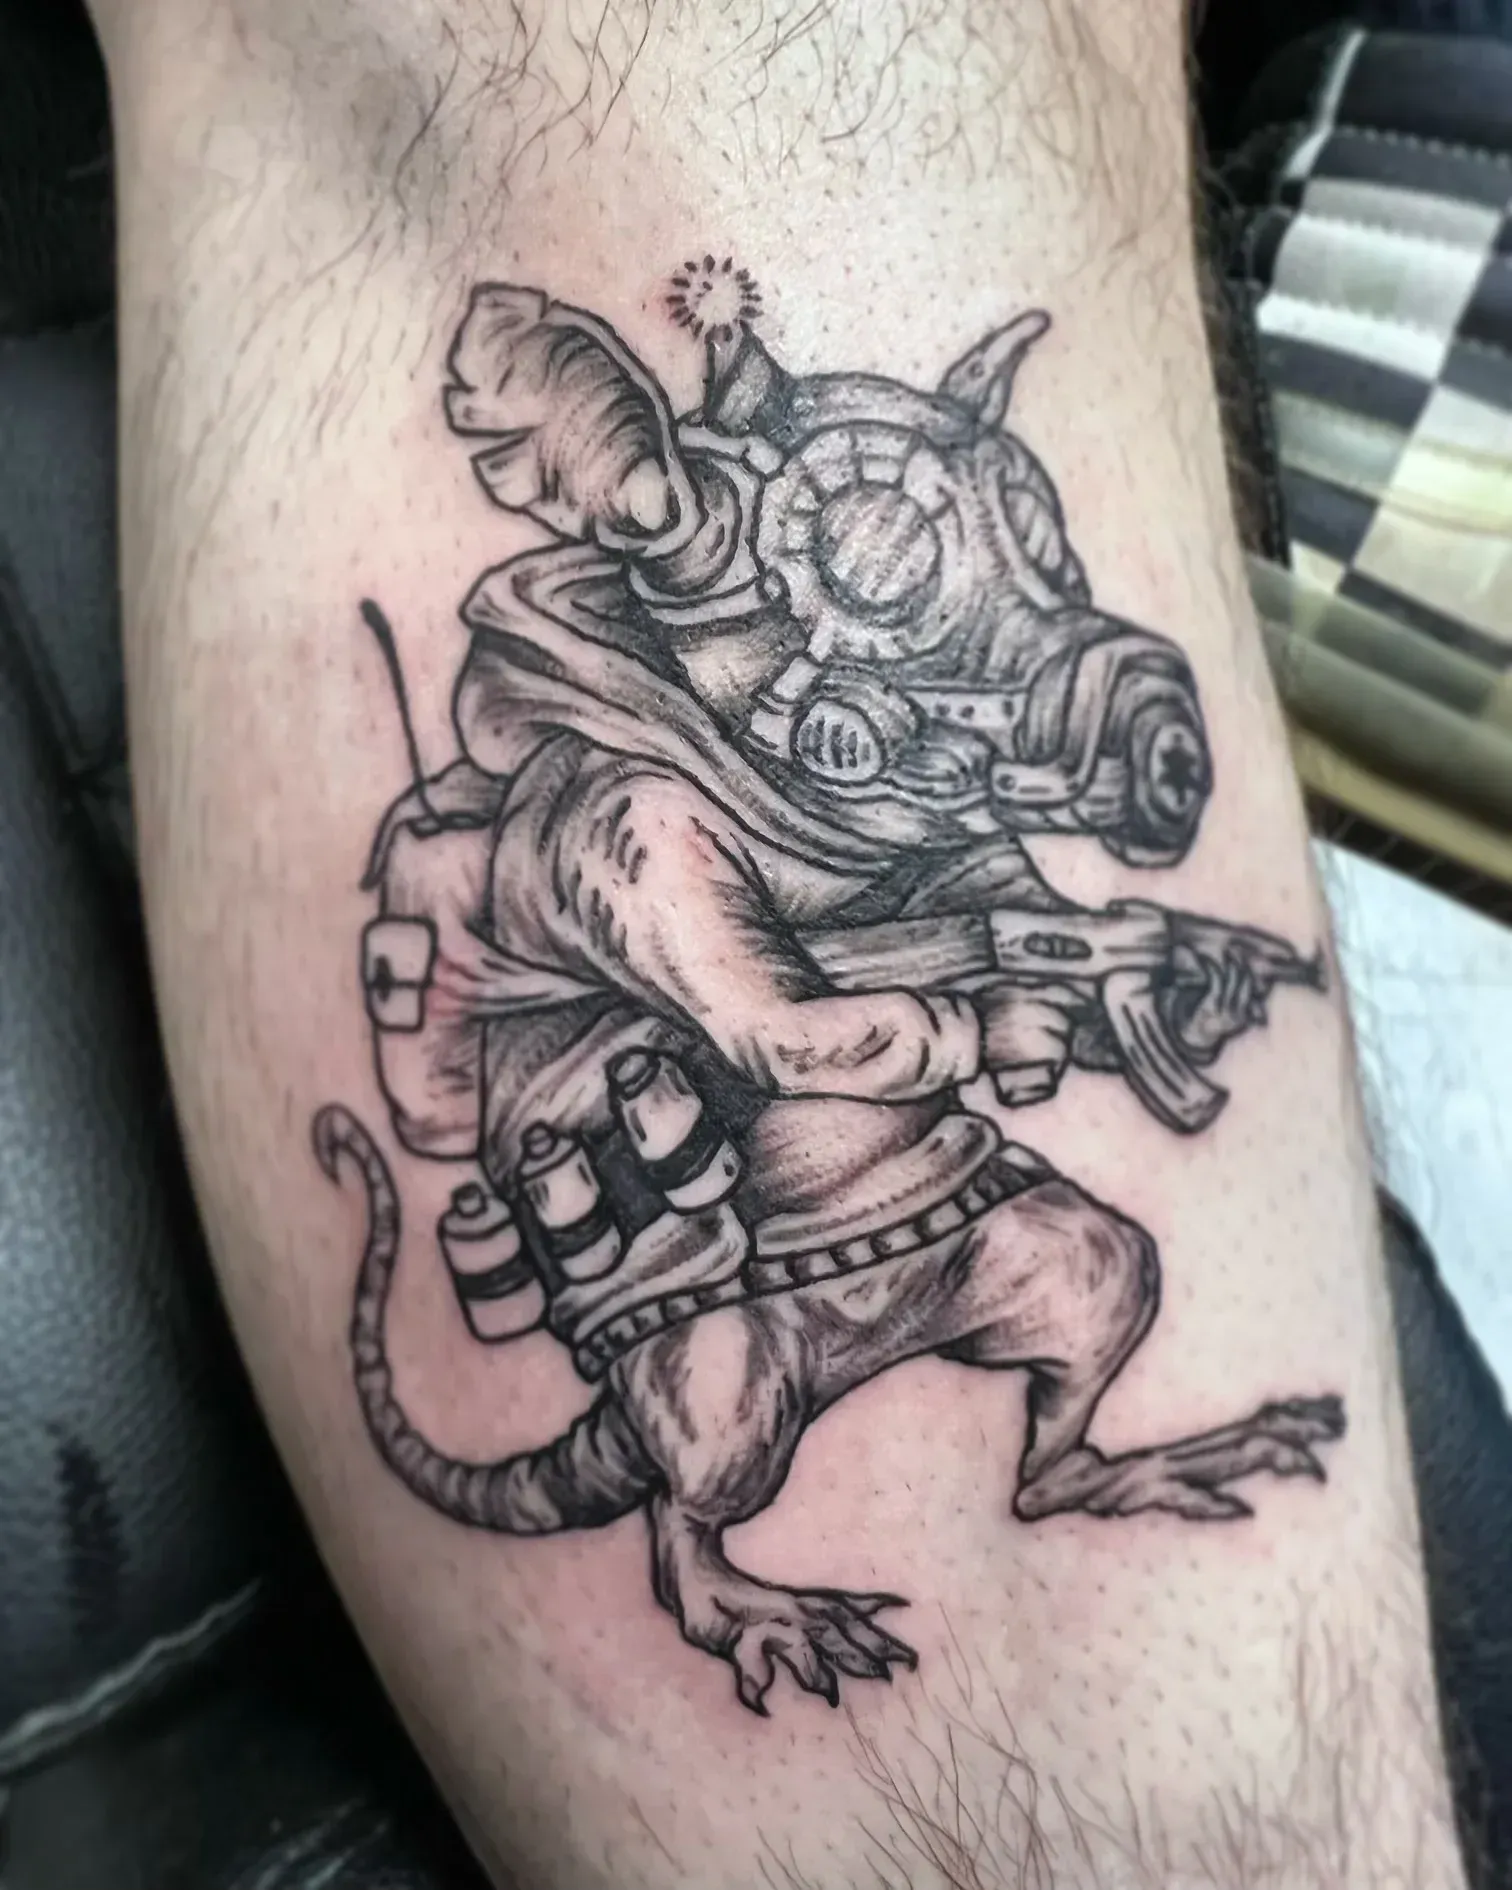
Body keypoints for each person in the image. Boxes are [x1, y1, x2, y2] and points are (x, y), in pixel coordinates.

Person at [85, 2, 1468, 1884]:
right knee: (725, 1423)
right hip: (730, 1247)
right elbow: (792, 1038)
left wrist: (1117, 973)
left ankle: (1065, 1451)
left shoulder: (854, 695)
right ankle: (701, 1563)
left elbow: (978, 893)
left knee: (1093, 1269)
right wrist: (978, 1024)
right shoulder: (622, 813)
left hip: (917, 1195)